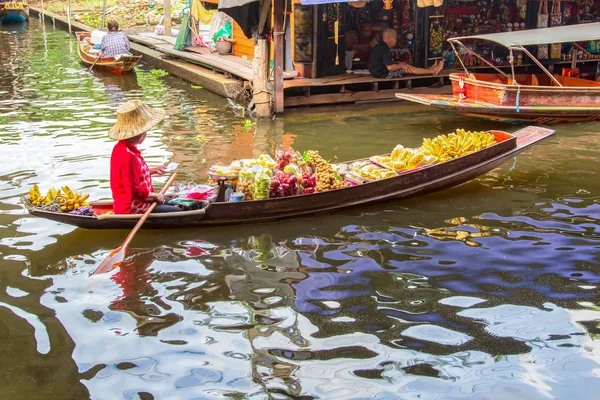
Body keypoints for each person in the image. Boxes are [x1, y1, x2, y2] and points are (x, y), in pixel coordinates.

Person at [108, 99, 182, 214]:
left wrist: (151, 170)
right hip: (134, 208)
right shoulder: (128, 156)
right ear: (141, 133)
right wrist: (155, 196)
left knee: (178, 202)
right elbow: (134, 192)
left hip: (139, 202)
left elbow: (132, 176)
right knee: (178, 211)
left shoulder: (122, 148)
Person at [368, 28, 444, 79]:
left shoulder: (381, 46)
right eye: (395, 38)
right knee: (408, 68)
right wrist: (401, 65)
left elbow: (384, 62)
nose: (396, 41)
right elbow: (390, 68)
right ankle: (433, 71)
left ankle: (429, 70)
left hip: (377, 72)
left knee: (404, 65)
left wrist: (399, 63)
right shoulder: (384, 48)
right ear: (390, 39)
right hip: (383, 74)